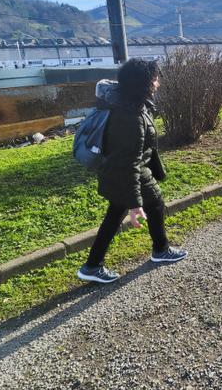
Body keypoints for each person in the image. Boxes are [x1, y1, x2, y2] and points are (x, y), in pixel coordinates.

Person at [77, 59, 187, 284]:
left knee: (115, 213)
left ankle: (92, 265)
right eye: (154, 79)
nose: (157, 83)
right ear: (142, 83)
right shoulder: (129, 116)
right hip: (127, 171)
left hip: (121, 170)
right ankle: (160, 250)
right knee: (154, 202)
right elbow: (128, 161)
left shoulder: (131, 103)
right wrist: (136, 205)